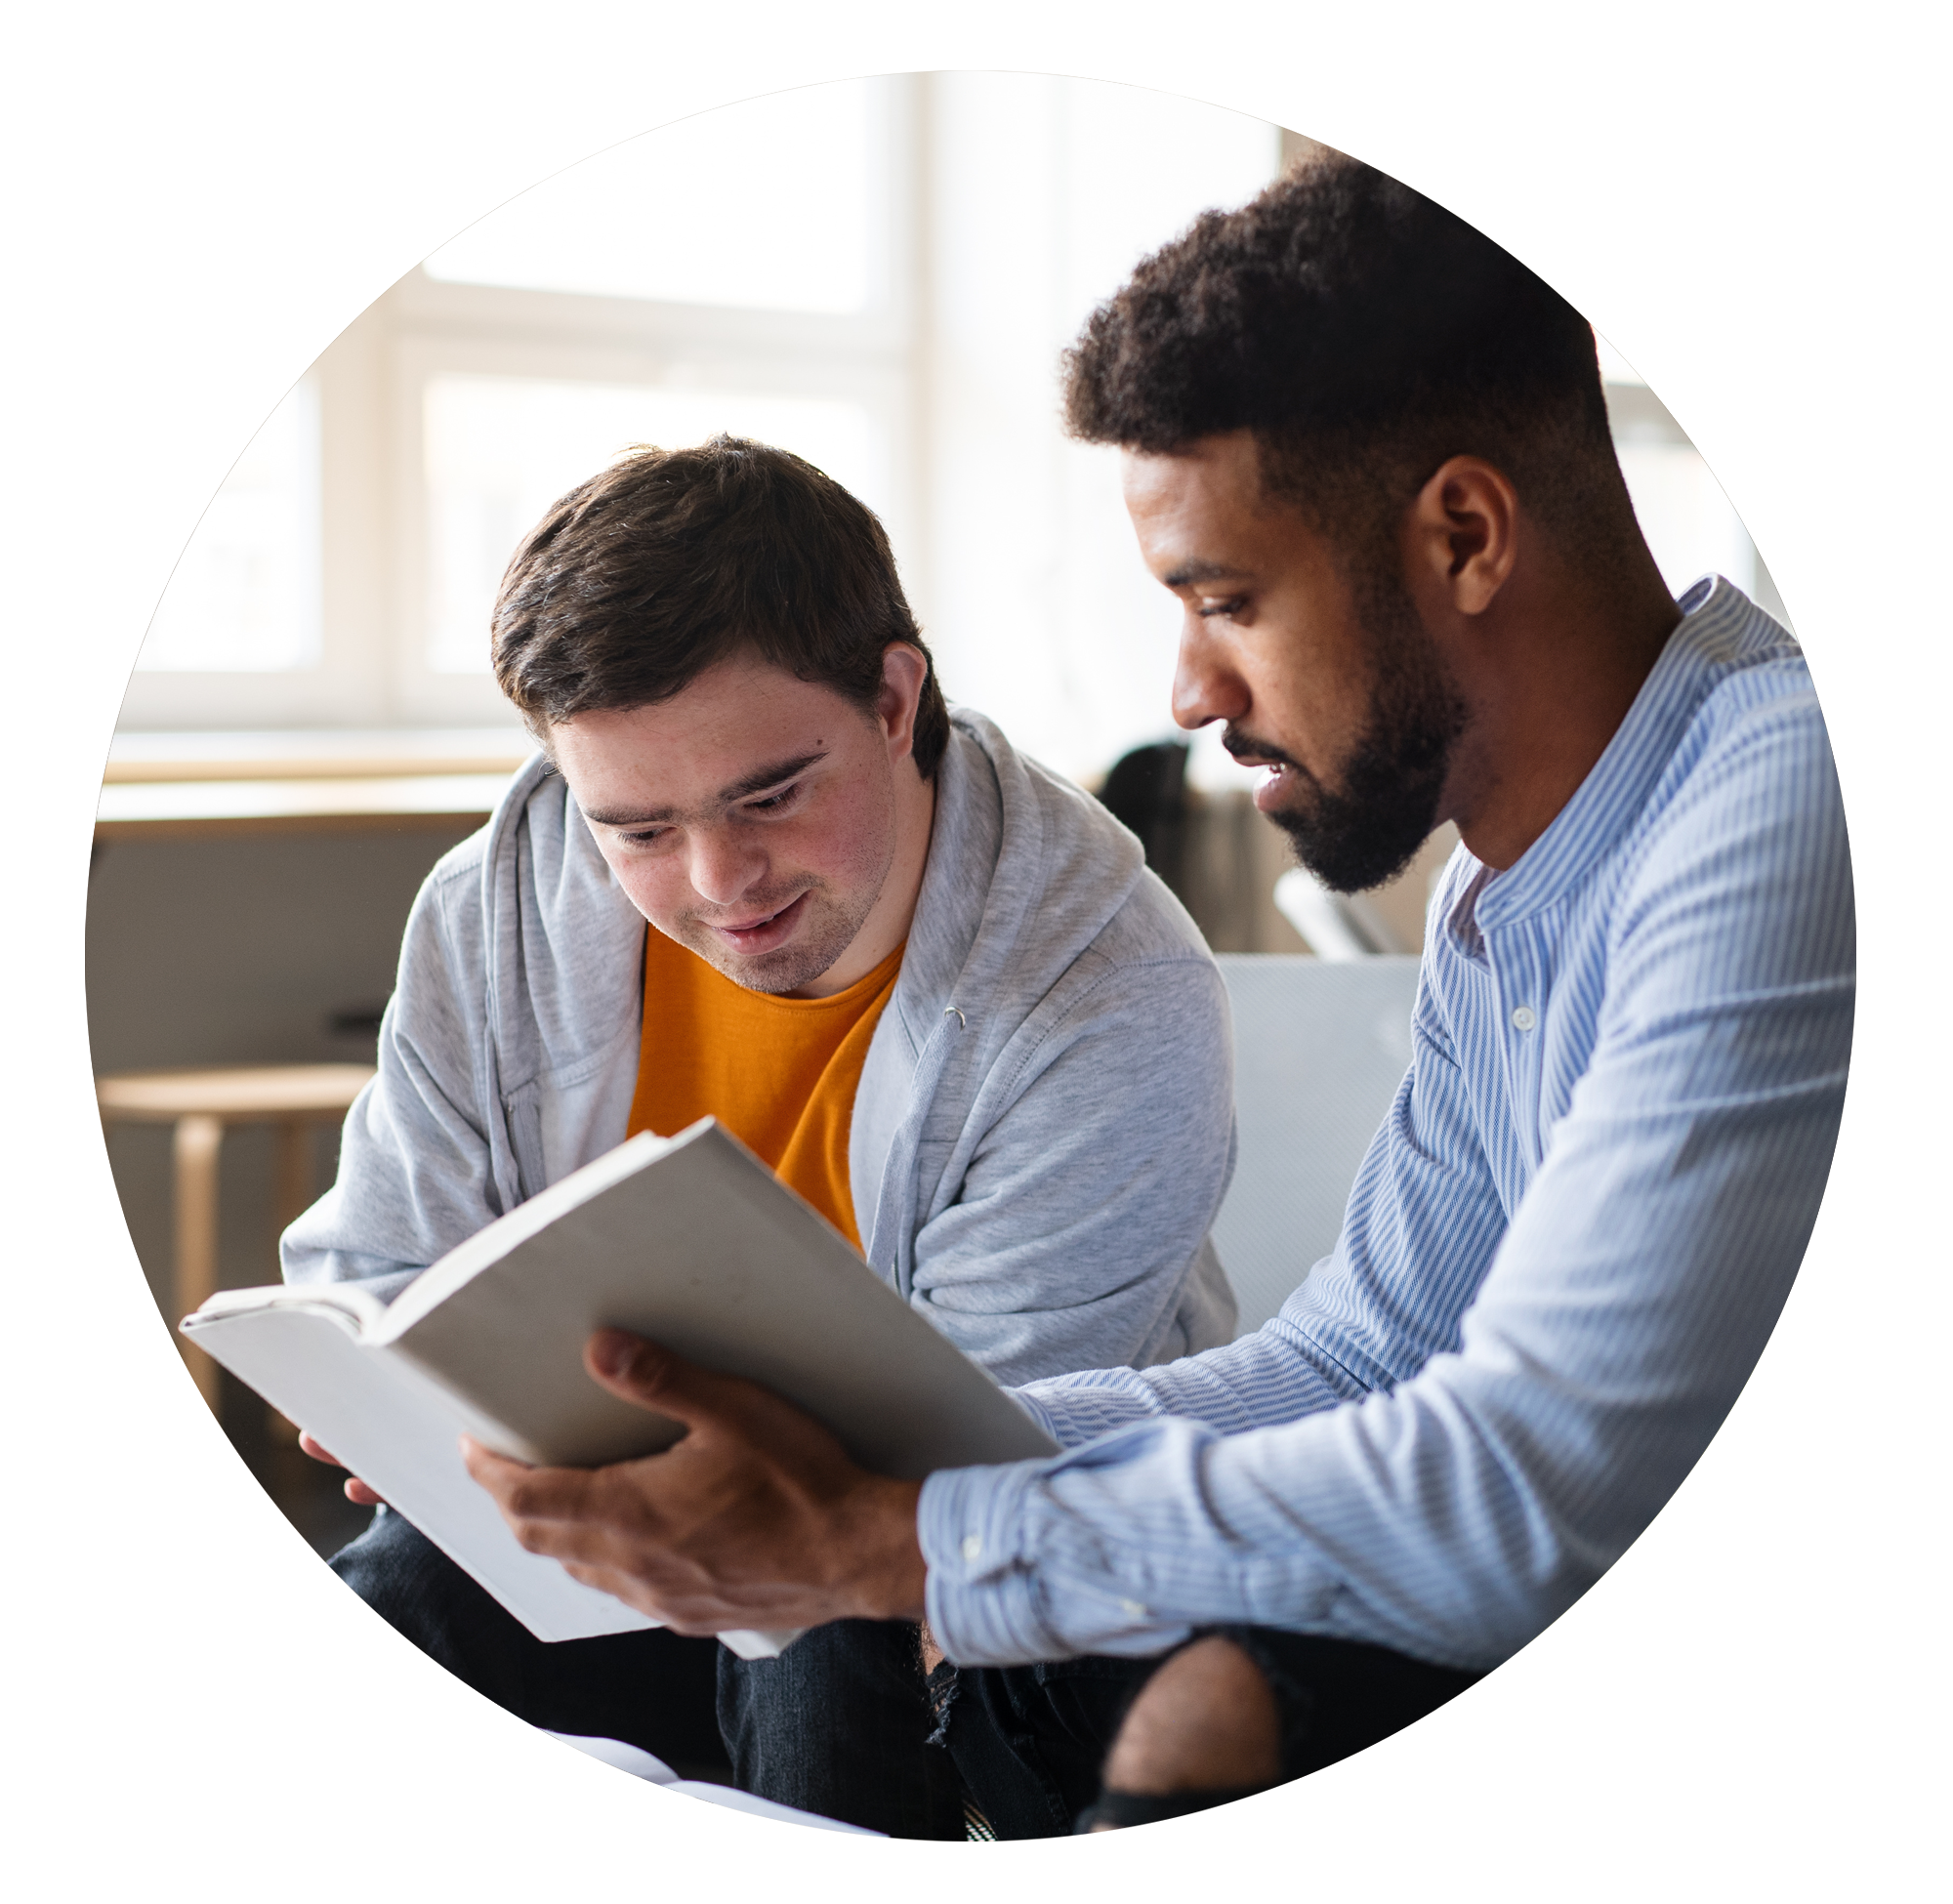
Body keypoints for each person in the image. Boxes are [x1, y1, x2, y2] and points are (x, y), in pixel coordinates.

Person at [460, 152, 1854, 1836]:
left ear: (1466, 534)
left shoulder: (1783, 796)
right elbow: (1360, 1354)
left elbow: (1528, 1477)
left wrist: (884, 1532)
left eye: (1225, 599)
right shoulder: (1509, 889)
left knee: (1167, 1691)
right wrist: (882, 1450)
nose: (1188, 687)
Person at [283, 435, 1240, 1838]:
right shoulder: (492, 902)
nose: (723, 885)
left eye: (771, 794)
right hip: (598, 1531)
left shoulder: (1109, 980)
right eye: (640, 828)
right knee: (399, 1587)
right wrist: (389, 1390)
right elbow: (375, 1254)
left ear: (895, 696)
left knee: (822, 1625)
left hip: (930, 1592)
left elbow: (969, 1459)